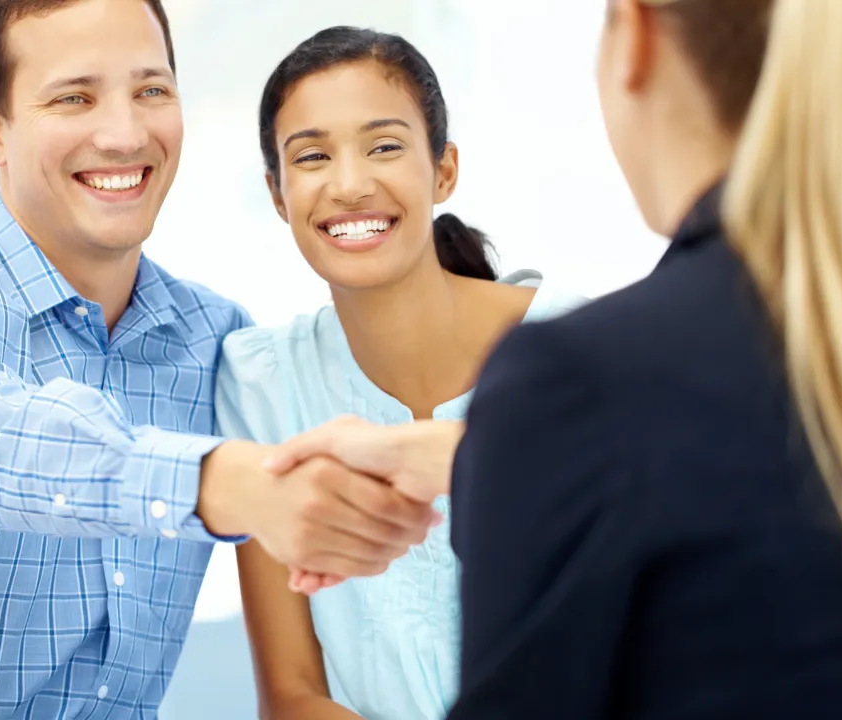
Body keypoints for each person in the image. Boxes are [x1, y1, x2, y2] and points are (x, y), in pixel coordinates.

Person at [0, 1, 439, 717]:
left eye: (151, 90)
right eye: (74, 98)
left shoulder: (214, 341)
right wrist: (223, 482)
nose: (125, 134)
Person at [273, 0, 842, 718]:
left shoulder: (578, 375)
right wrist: (482, 456)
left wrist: (516, 447)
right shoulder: (833, 332)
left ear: (635, 35)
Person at [214, 27, 586, 720]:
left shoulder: (580, 349)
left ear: (443, 170)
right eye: (312, 156)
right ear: (278, 194)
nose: (350, 185)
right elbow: (292, 696)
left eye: (384, 146)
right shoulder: (260, 384)